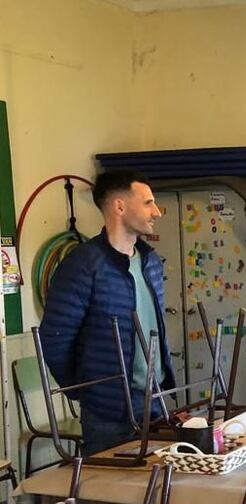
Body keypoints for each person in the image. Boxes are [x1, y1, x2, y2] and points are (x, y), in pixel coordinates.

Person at [40, 170, 174, 456]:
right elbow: (54, 338)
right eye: (148, 203)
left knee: (158, 490)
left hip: (156, 398)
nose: (157, 212)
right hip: (109, 411)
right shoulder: (84, 264)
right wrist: (85, 390)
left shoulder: (151, 261)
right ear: (120, 206)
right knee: (109, 496)